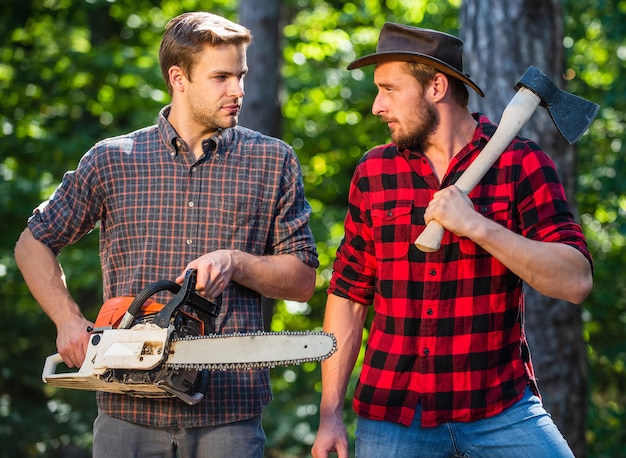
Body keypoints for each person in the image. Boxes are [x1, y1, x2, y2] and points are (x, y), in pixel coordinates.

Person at [15, 11, 319, 458]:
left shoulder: (273, 161)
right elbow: (32, 243)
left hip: (228, 415)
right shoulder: (113, 160)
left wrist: (235, 261)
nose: (237, 90)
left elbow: (302, 280)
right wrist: (67, 320)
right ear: (179, 78)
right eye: (221, 77)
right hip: (127, 413)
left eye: (241, 75)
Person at [311, 22, 593, 458]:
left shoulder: (522, 164)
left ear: (436, 86)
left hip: (500, 407)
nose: (376, 106)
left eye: (389, 89)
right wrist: (330, 413)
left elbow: (575, 282)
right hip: (393, 415)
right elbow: (348, 296)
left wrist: (478, 225)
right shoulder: (375, 172)